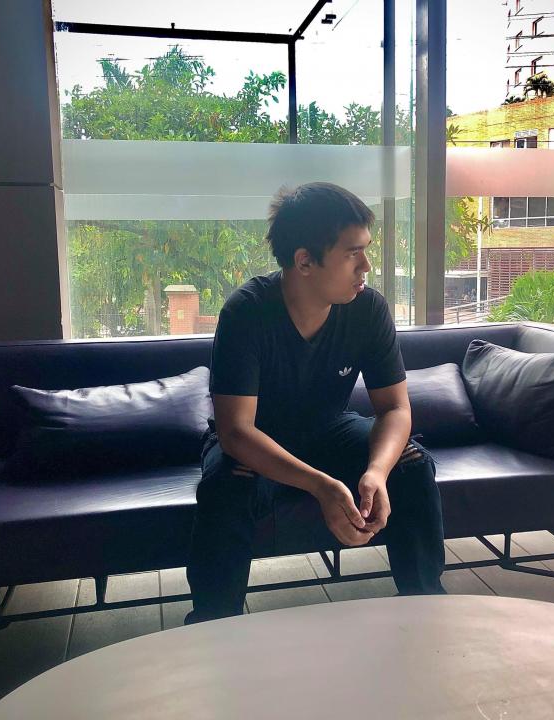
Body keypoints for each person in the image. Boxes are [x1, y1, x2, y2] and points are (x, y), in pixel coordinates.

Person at [185, 182, 446, 623]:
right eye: (352, 253)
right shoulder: (246, 313)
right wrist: (321, 486)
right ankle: (212, 625)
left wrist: (377, 472)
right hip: (257, 439)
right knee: (226, 486)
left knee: (412, 463)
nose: (366, 266)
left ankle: (426, 608)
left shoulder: (367, 309)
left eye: (366, 251)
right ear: (304, 261)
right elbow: (236, 431)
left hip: (331, 427)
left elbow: (395, 409)